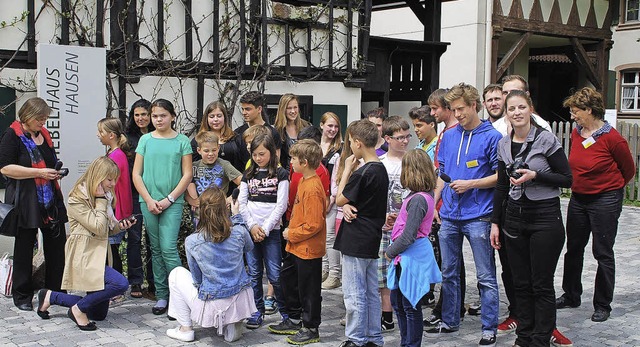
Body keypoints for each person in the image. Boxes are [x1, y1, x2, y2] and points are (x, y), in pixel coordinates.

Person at [489, 90, 573, 346]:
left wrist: (536, 176)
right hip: (514, 217)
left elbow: (567, 179)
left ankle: (541, 337)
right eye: (512, 109)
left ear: (530, 109)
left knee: (541, 283)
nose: (517, 113)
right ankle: (524, 335)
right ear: (507, 114)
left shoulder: (546, 140)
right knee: (520, 282)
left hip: (545, 217)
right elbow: (501, 187)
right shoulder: (503, 144)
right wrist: (495, 222)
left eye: (521, 107)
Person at [425, 83, 501, 347]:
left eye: (461, 109)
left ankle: (489, 326)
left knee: (485, 276)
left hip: (479, 215)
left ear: (474, 106)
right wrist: (434, 204)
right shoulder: (449, 135)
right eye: (453, 109)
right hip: (449, 215)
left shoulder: (491, 136)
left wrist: (470, 184)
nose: (457, 114)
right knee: (449, 271)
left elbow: (499, 177)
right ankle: (450, 320)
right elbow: (442, 173)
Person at [556, 87, 635, 323]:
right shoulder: (577, 132)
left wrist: (611, 188)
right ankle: (571, 294)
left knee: (602, 252)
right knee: (574, 248)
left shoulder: (613, 138)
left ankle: (603, 304)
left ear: (589, 110)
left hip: (605, 199)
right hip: (579, 198)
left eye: (576, 111)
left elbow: (628, 170)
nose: (572, 115)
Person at [36, 156, 131, 330]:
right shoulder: (77, 198)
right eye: (109, 179)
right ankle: (77, 310)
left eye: (114, 179)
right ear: (98, 176)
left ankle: (50, 296)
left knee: (98, 314)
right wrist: (102, 201)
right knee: (120, 283)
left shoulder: (106, 197)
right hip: (85, 255)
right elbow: (97, 227)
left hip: (99, 256)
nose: (112, 184)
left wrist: (120, 226)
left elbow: (107, 229)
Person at [0, 97, 68, 311]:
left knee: (56, 247)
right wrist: (38, 172)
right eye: (40, 118)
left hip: (49, 199)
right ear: (27, 116)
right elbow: (5, 168)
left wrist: (53, 173)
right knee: (24, 248)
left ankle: (55, 292)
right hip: (25, 200)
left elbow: (47, 163)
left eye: (45, 119)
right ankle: (22, 296)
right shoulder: (12, 135)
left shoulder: (44, 136)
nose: (43, 123)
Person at [165, 186, 256, 343]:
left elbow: (197, 278)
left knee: (176, 274)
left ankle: (185, 329)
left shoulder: (192, 241)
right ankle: (231, 323)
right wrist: (237, 217)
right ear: (224, 209)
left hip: (213, 298)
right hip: (239, 296)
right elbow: (249, 247)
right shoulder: (239, 232)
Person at [132, 99, 193, 315]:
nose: (158, 119)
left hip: (172, 202)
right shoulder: (145, 140)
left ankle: (181, 297)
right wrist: (148, 200)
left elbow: (187, 174)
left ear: (172, 117)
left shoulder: (182, 141)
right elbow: (136, 174)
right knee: (156, 250)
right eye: (155, 116)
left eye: (162, 115)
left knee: (168, 248)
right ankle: (162, 296)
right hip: (148, 202)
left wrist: (169, 198)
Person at [334, 119, 389, 347]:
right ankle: (374, 336)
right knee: (370, 291)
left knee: (354, 292)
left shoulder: (362, 172)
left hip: (356, 237)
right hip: (372, 235)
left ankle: (355, 338)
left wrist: (347, 168)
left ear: (358, 143)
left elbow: (339, 198)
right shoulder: (381, 169)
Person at [268, 139, 327, 345]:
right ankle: (295, 319)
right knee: (289, 280)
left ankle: (311, 327)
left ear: (303, 161)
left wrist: (290, 234)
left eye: (293, 158)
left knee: (309, 290)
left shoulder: (312, 187)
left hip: (308, 248)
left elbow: (313, 225)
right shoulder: (303, 180)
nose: (290, 162)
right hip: (296, 247)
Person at [385, 149, 441, 347]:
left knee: (410, 305)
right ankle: (405, 341)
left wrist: (389, 252)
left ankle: (411, 343)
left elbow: (409, 236)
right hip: (405, 257)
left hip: (410, 257)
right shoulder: (418, 196)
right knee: (399, 303)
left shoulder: (418, 199)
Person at [424, 88, 468, 328]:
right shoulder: (444, 132)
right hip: (440, 202)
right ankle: (448, 306)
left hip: (449, 205)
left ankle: (451, 307)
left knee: (451, 262)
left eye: (435, 109)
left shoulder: (453, 132)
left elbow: (446, 170)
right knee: (447, 262)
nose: (432, 113)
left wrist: (437, 201)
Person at [238, 133, 290, 329]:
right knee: (254, 273)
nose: (258, 158)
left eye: (262, 154)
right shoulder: (248, 174)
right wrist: (252, 226)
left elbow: (281, 205)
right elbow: (242, 203)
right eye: (255, 154)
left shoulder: (281, 174)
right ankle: (256, 311)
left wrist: (265, 229)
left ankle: (286, 313)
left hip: (271, 232)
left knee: (275, 274)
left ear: (272, 153)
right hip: (251, 232)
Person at [378, 115, 413, 333]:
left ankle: (407, 311)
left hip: (407, 225)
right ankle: (386, 314)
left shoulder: (413, 161)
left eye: (407, 136)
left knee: (406, 271)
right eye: (400, 137)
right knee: (383, 272)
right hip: (384, 225)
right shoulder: (380, 163)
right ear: (387, 139)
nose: (405, 141)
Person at [96, 118, 133, 282]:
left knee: (111, 250)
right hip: (116, 210)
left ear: (111, 135)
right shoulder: (115, 154)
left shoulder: (116, 156)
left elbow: (112, 186)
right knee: (111, 249)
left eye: (101, 132)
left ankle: (115, 286)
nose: (98, 135)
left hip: (115, 211)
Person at [125, 99, 154, 299]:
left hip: (155, 192)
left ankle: (153, 283)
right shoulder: (127, 138)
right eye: (137, 114)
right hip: (133, 193)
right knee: (134, 238)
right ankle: (135, 281)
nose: (141, 118)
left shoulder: (158, 136)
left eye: (144, 114)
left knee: (154, 240)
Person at [185, 131, 242, 227]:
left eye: (214, 150)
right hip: (199, 215)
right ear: (199, 150)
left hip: (220, 213)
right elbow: (183, 185)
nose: (211, 154)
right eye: (206, 151)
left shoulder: (224, 165)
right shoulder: (194, 166)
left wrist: (230, 198)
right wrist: (190, 199)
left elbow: (243, 182)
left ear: (218, 148)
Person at [190, 101, 245, 180]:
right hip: (205, 185)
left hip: (234, 184)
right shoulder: (197, 140)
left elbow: (243, 162)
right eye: (211, 116)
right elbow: (192, 168)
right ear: (206, 119)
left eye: (219, 116)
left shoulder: (236, 138)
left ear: (224, 118)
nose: (215, 119)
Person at [318, 112, 342, 287]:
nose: (333, 129)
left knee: (330, 236)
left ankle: (334, 273)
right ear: (321, 125)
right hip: (316, 195)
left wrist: (332, 198)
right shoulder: (316, 146)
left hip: (331, 197)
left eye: (335, 126)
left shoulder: (339, 149)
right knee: (320, 234)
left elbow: (338, 177)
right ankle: (323, 268)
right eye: (329, 126)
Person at [234, 91, 284, 168]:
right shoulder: (238, 133)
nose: (244, 112)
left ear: (259, 109)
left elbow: (275, 160)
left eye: (248, 109)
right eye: (242, 109)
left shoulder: (272, 133)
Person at [274, 93, 311, 169]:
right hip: (285, 174)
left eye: (295, 107)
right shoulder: (277, 130)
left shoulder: (307, 126)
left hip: (304, 172)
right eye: (289, 108)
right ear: (283, 109)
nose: (293, 111)